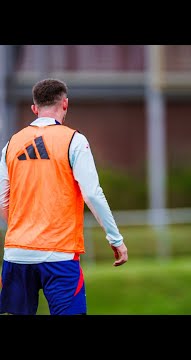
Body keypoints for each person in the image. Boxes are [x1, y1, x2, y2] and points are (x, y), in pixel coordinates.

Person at [0, 78, 128, 315]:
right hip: (58, 254)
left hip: (16, 254)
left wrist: (22, 229)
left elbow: (2, 198)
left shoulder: (11, 144)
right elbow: (92, 194)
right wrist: (115, 238)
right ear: (65, 104)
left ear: (34, 108)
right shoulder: (74, 141)